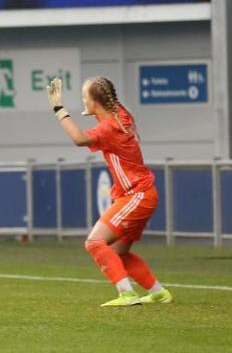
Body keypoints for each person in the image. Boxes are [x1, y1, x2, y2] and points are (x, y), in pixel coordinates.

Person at [47, 76, 172, 307]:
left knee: (94, 243)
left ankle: (127, 294)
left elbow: (79, 139)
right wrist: (90, 109)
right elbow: (101, 115)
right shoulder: (120, 116)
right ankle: (158, 292)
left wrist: (58, 109)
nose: (83, 100)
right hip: (141, 195)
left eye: (85, 97)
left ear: (95, 101)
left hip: (137, 196)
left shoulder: (110, 128)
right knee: (117, 252)